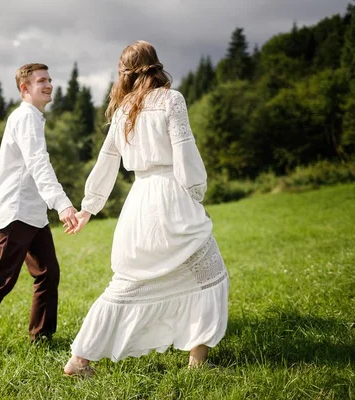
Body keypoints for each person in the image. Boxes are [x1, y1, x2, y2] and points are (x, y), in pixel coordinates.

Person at [63, 41, 229, 376]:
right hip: (171, 197)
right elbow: (185, 154)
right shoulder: (172, 99)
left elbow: (106, 162)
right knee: (211, 276)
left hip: (138, 201)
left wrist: (88, 208)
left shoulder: (122, 109)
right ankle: (197, 363)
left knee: (127, 283)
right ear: (155, 66)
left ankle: (79, 360)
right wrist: (197, 196)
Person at [0, 63, 78, 350]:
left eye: (49, 80)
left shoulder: (32, 118)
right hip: (17, 209)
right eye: (41, 80)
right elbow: (38, 164)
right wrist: (63, 204)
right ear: (24, 88)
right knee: (2, 278)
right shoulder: (26, 118)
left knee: (47, 273)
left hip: (32, 212)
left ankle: (41, 338)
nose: (49, 85)